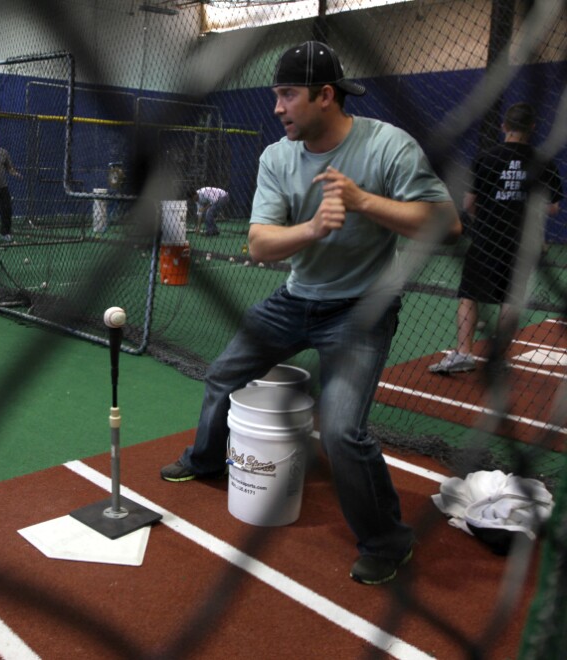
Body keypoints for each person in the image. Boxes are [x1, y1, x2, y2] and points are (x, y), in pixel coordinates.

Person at [160, 41, 461, 585]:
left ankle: (387, 538)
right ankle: (206, 459)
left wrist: (364, 201)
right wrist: (313, 229)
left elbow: (447, 224)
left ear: (325, 96)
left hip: (361, 310)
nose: (277, 107)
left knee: (342, 430)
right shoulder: (278, 156)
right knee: (223, 373)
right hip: (297, 299)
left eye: (286, 95)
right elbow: (258, 244)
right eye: (276, 95)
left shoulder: (388, 146)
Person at [429, 102, 563, 374]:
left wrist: (492, 211)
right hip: (521, 242)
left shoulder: (487, 157)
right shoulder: (540, 160)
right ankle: (499, 357)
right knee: (510, 299)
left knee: (469, 294)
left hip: (487, 238)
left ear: (505, 126)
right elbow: (553, 207)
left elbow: (468, 204)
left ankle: (464, 353)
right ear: (532, 128)